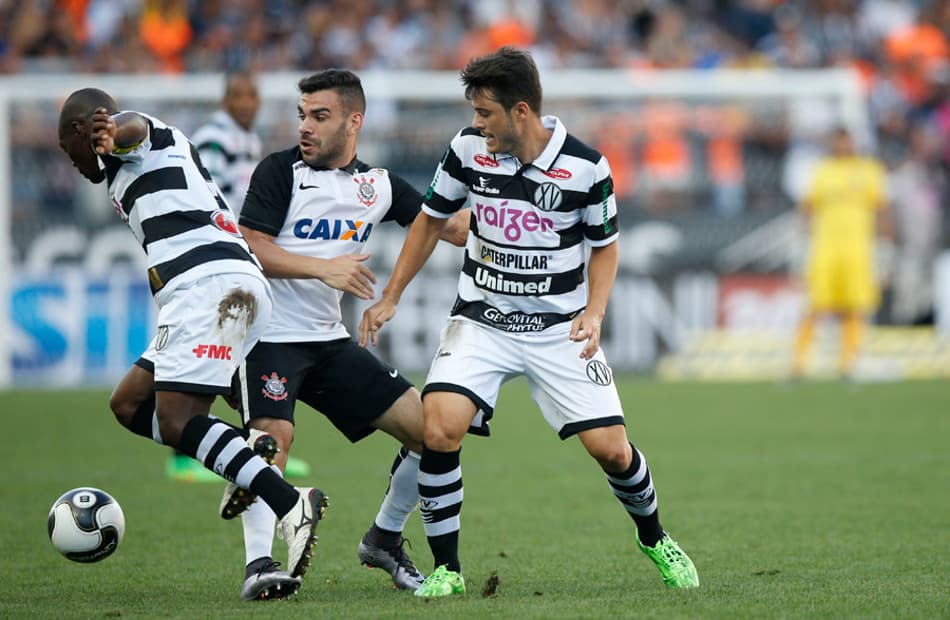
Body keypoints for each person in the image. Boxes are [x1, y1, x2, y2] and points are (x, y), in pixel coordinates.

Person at [358, 47, 699, 597]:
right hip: (482, 320)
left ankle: (655, 538)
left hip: (558, 329)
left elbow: (605, 248)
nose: (476, 124)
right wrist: (392, 294)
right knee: (440, 425)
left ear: (520, 112)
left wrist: (594, 311)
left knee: (612, 449)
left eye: (485, 113)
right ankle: (447, 569)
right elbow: (429, 221)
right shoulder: (468, 150)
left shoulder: (587, 167)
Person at [58, 88, 328, 599]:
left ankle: (290, 501)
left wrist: (112, 131)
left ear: (81, 132)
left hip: (210, 287)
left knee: (177, 420)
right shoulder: (125, 172)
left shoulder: (137, 136)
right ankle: (245, 459)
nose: (68, 161)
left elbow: (134, 125)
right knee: (129, 403)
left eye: (64, 147)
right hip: (215, 288)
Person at [226, 69, 469, 600]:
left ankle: (383, 537)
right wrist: (324, 268)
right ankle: (259, 566)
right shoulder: (279, 172)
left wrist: (514, 211)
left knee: (432, 432)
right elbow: (253, 247)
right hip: (267, 336)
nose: (306, 128)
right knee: (272, 439)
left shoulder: (377, 186)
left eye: (320, 116)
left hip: (329, 341)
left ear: (353, 122)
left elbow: (449, 227)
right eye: (302, 116)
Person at [165, 71, 311, 483]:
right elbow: (204, 197)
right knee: (210, 351)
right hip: (216, 260)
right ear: (225, 99)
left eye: (253, 94)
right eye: (238, 95)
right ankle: (186, 456)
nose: (247, 102)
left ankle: (253, 447)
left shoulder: (246, 138)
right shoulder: (216, 137)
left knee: (233, 353)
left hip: (236, 258)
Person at [791, 127, 889, 379]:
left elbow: (882, 210)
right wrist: (799, 246)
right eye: (838, 142)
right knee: (814, 306)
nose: (843, 146)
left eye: (846, 141)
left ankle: (849, 364)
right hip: (825, 250)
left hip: (858, 250)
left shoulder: (869, 170)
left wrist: (887, 249)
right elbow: (806, 210)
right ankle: (798, 364)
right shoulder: (822, 171)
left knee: (855, 306)